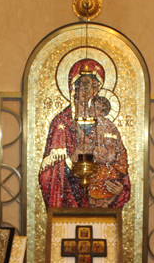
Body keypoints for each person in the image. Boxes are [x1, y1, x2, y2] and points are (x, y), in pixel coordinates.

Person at [39, 58, 130, 208]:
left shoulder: (107, 126)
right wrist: (72, 159)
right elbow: (47, 176)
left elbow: (120, 164)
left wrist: (121, 190)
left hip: (100, 200)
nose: (88, 90)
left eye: (94, 86)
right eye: (84, 84)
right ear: (74, 85)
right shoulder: (62, 123)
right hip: (70, 202)